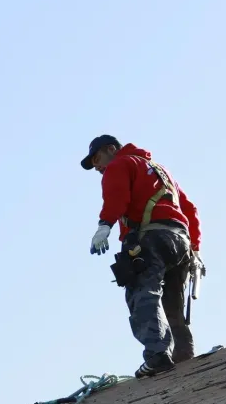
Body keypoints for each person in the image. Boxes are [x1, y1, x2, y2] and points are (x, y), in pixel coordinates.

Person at [82, 135, 202, 378]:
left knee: (142, 295)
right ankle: (184, 356)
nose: (97, 166)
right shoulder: (161, 170)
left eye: (97, 158)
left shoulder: (120, 164)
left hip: (151, 238)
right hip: (180, 242)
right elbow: (189, 209)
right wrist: (196, 249)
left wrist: (105, 225)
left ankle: (158, 355)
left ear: (111, 149)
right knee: (172, 303)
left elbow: (116, 195)